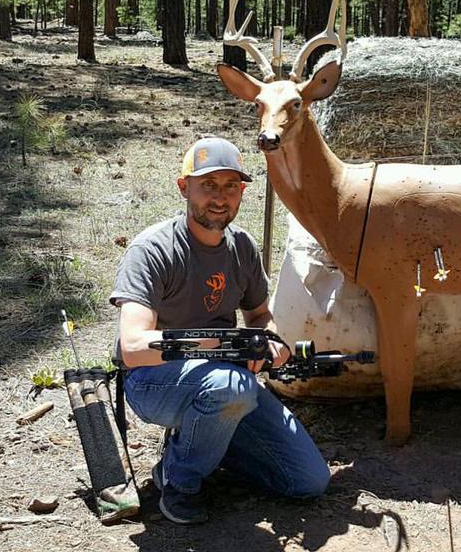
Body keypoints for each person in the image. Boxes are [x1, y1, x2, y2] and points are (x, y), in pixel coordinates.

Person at [109, 137, 330, 525]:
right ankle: (179, 481)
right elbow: (133, 347)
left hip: (226, 383)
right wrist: (215, 346)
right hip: (152, 382)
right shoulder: (152, 250)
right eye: (208, 185)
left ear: (242, 191)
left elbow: (260, 314)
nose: (220, 197)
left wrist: (270, 340)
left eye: (231, 186)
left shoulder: (242, 247)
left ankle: (208, 441)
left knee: (308, 480)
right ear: (184, 188)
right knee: (232, 386)